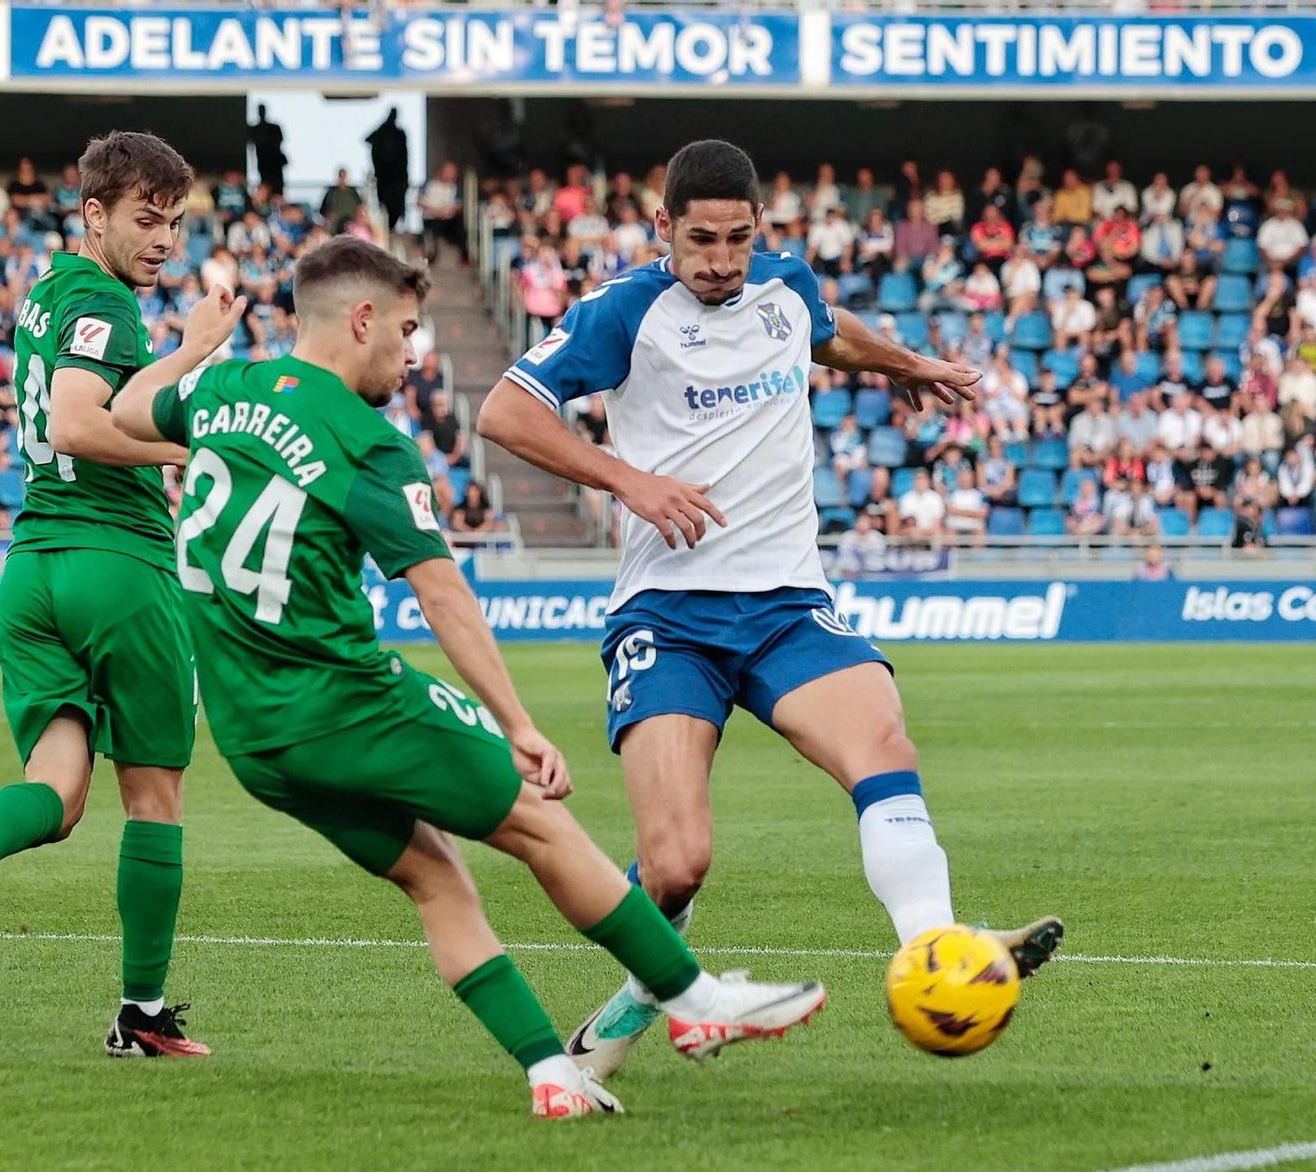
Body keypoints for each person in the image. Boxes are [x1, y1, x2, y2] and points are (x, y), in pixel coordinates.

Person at [109, 236, 826, 1117]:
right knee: (541, 825)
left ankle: (550, 1071)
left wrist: (191, 346)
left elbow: (128, 407)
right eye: (407, 330)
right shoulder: (367, 446)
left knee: (436, 878)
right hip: (345, 702)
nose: (414, 354)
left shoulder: (220, 392)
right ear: (361, 319)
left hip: (253, 739)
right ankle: (691, 1001)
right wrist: (518, 722)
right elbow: (446, 600)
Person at [474, 140, 1063, 1080]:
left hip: (789, 602)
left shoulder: (783, 285)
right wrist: (631, 480)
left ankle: (936, 947)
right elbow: (505, 412)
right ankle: (635, 1005)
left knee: (883, 748)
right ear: (662, 228)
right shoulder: (627, 311)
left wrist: (902, 363)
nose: (718, 260)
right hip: (668, 616)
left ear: (761, 232)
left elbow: (826, 330)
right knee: (675, 867)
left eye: (737, 240)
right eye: (699, 240)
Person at [0, 133, 246, 1060]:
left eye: (175, 223)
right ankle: (140, 1011)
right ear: (93, 214)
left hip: (35, 569)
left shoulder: (49, 291)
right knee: (155, 797)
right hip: (117, 567)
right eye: (146, 219)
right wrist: (188, 385)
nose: (164, 240)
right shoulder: (105, 302)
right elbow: (80, 422)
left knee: (57, 790)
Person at [366, 107, 410, 234]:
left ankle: (392, 227)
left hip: (396, 178)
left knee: (395, 207)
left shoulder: (399, 134)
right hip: (386, 178)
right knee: (386, 206)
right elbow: (368, 139)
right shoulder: (383, 132)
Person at [248, 105, 287, 198]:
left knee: (277, 188)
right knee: (267, 186)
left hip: (274, 162)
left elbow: (279, 140)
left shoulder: (273, 127)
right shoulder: (255, 129)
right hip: (264, 162)